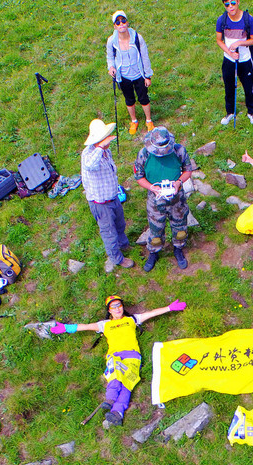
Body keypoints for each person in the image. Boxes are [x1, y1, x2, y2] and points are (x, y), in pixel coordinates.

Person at [51, 295, 187, 427]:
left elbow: (151, 313)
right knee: (115, 374)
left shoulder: (132, 319)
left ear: (122, 307)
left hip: (133, 356)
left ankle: (117, 413)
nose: (117, 309)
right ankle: (110, 399)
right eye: (113, 307)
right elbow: (85, 326)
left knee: (128, 382)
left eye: (119, 305)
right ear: (109, 310)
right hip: (115, 356)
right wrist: (66, 328)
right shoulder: (105, 325)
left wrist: (169, 308)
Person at [134, 127, 194, 272]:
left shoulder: (179, 150)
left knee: (180, 228)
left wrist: (178, 182)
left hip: (177, 198)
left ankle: (178, 248)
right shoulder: (144, 154)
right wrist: (152, 188)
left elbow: (188, 170)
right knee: (155, 230)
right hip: (155, 200)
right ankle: (154, 252)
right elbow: (139, 177)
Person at [81, 118, 134, 269]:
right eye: (105, 138)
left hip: (113, 197)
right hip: (101, 203)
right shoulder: (89, 154)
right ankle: (117, 258)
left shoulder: (106, 151)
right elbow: (90, 165)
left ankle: (123, 244)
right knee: (108, 232)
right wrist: (100, 148)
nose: (108, 140)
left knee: (120, 223)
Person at [106, 10, 154, 135]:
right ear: (115, 26)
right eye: (118, 22)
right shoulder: (111, 41)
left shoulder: (137, 38)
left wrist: (147, 76)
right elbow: (110, 57)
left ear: (127, 23)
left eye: (123, 21)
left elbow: (145, 57)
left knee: (143, 97)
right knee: (129, 99)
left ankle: (149, 121)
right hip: (123, 76)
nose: (121, 24)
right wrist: (111, 67)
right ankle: (134, 121)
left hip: (139, 75)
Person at [215, 0, 253, 125]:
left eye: (233, 3)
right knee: (229, 88)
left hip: (245, 60)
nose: (230, 7)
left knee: (248, 88)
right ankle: (230, 113)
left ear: (238, 2)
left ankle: (252, 112)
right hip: (229, 60)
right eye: (227, 4)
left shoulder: (248, 19)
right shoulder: (221, 20)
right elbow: (219, 40)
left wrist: (239, 43)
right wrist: (230, 52)